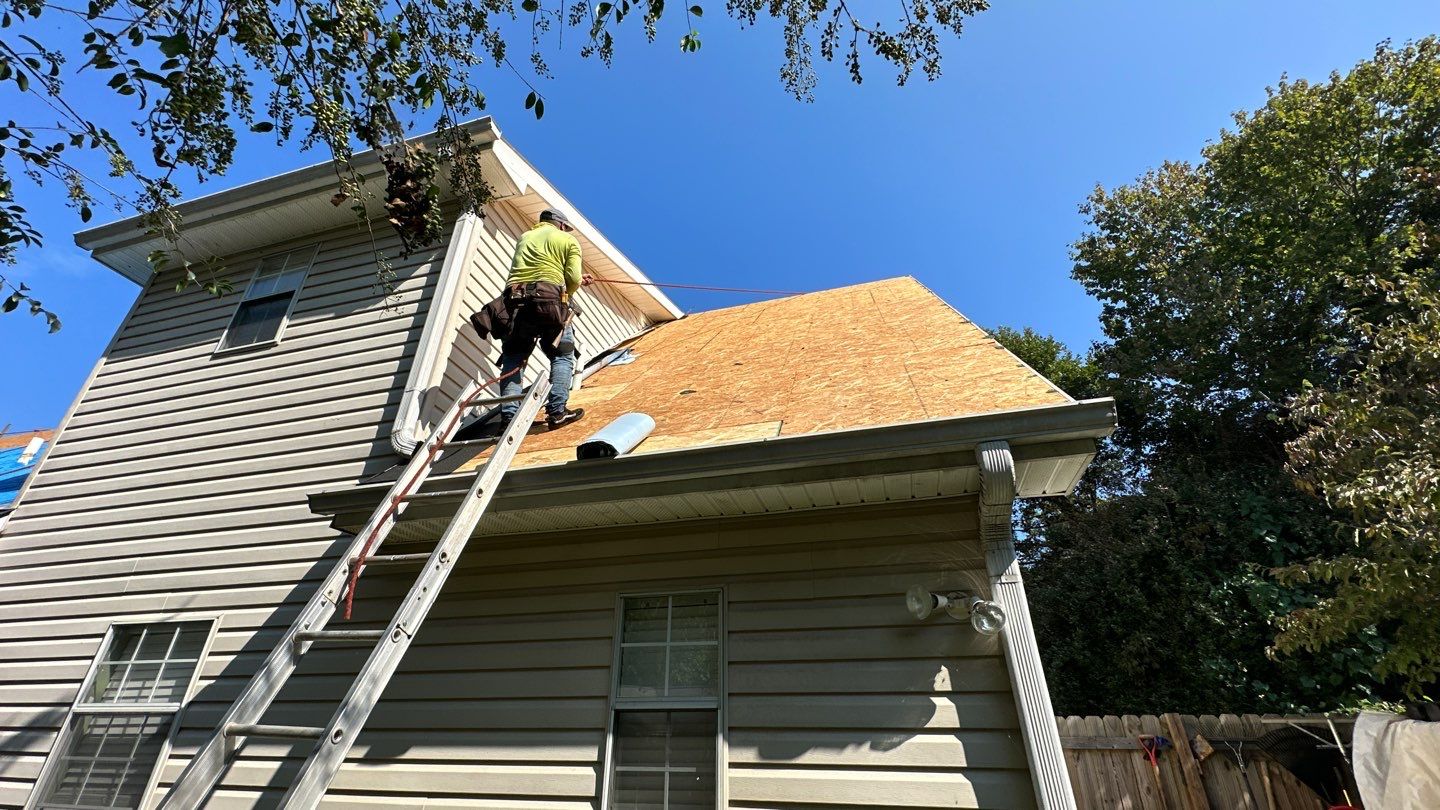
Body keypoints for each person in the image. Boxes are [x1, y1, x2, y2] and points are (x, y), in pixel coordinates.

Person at [470, 208, 592, 435]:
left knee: (513, 359)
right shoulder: (568, 240)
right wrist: (570, 289)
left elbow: (533, 269)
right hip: (549, 303)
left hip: (515, 304)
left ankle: (509, 419)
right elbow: (573, 279)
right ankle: (557, 411)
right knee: (562, 355)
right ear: (561, 225)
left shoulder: (525, 237)